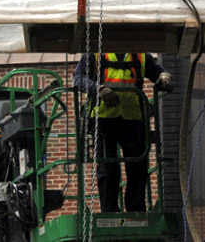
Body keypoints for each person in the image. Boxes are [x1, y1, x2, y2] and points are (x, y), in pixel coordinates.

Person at [73, 52, 174, 212]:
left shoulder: (141, 56)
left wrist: (164, 76)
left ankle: (136, 210)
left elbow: (157, 71)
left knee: (138, 168)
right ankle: (110, 210)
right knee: (108, 169)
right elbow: (77, 79)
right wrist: (98, 89)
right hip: (103, 118)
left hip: (132, 118)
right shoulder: (95, 55)